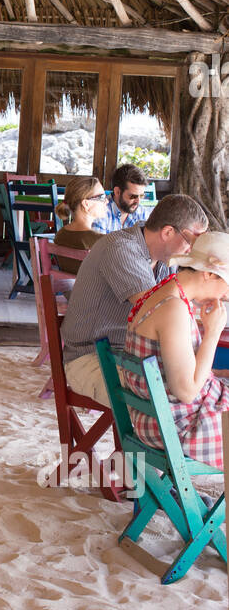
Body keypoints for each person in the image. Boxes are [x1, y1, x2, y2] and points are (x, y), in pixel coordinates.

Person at [60, 193, 209, 405]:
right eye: (191, 241)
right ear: (167, 232)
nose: (192, 250)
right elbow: (156, 311)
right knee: (179, 398)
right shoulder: (120, 248)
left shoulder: (165, 259)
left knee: (204, 389)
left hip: (129, 356)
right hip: (91, 359)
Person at [122, 232, 229, 467]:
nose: (227, 295)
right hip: (175, 426)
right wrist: (212, 333)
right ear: (209, 274)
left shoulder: (166, 292)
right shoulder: (174, 308)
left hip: (157, 415)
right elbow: (187, 392)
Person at [53, 176, 108, 274]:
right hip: (94, 289)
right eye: (102, 197)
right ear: (86, 204)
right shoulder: (101, 241)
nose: (107, 201)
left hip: (70, 289)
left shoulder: (60, 235)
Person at [91, 163, 153, 234]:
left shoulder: (142, 212)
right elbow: (98, 244)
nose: (138, 201)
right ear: (117, 192)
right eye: (133, 196)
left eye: (141, 196)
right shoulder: (99, 212)